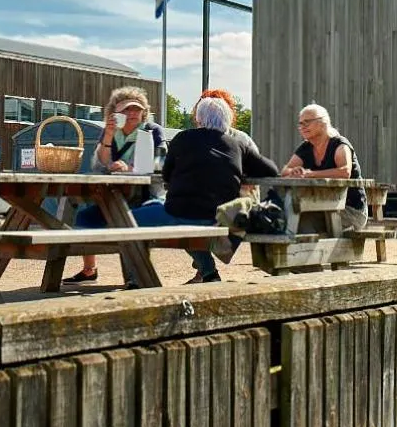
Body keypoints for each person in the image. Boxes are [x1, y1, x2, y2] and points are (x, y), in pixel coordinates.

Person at [137, 96, 281, 283]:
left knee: (130, 220)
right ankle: (209, 274)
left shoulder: (182, 138)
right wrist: (240, 171)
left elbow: (166, 175)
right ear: (227, 120)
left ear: (199, 119)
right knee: (190, 223)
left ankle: (137, 280)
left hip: (180, 214)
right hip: (218, 218)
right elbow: (271, 170)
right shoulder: (237, 144)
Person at [65, 87, 167, 285]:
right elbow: (98, 165)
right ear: (115, 113)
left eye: (136, 109)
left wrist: (130, 168)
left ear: (144, 112)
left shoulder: (152, 131)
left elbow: (161, 163)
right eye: (126, 109)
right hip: (114, 194)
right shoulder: (110, 132)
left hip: (146, 195)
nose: (132, 113)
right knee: (83, 218)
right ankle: (89, 270)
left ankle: (135, 278)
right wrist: (109, 136)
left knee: (127, 220)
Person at [281, 103, 368, 232]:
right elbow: (285, 171)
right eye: (300, 124)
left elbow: (344, 172)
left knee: (298, 221)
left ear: (323, 122)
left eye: (307, 122)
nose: (302, 127)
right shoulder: (305, 148)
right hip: (320, 207)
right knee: (287, 216)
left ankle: (294, 243)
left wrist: (310, 174)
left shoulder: (340, 145)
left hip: (350, 210)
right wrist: (294, 171)